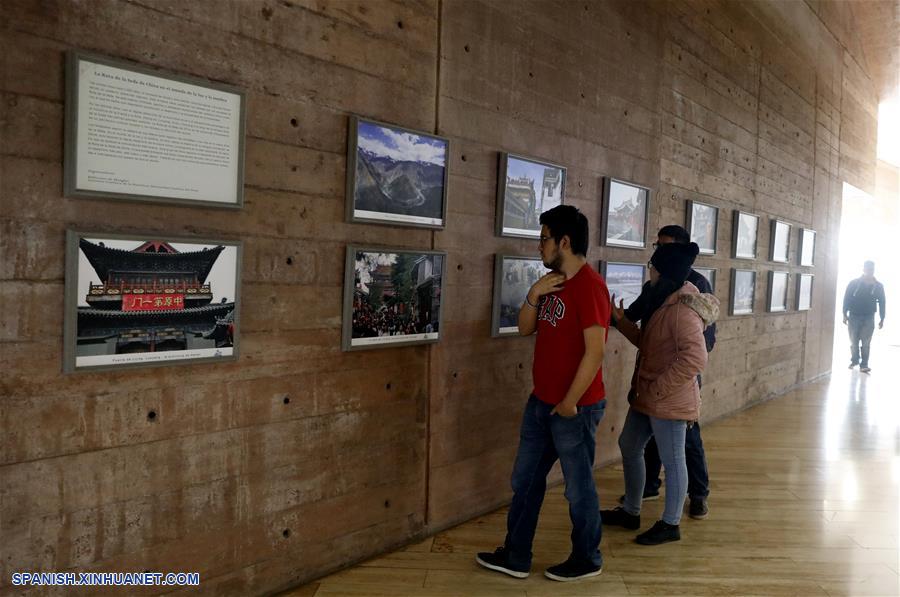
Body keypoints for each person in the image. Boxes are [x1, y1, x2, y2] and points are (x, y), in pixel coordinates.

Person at [476, 205, 610, 581]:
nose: (539, 247)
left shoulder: (591, 287)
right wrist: (534, 292)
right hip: (541, 402)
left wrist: (569, 402)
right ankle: (516, 555)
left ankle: (588, 557)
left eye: (544, 239)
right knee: (525, 481)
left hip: (574, 409)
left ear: (564, 242)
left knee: (578, 489)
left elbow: (595, 351)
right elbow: (523, 329)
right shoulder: (552, 283)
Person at [601, 242, 719, 545]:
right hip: (648, 396)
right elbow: (650, 344)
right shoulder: (664, 301)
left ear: (664, 272)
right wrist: (621, 321)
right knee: (629, 444)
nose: (649, 270)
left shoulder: (682, 311)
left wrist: (658, 389)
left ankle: (670, 524)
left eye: (653, 265)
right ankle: (631, 511)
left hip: (666, 399)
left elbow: (696, 358)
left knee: (673, 458)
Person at [843, 261, 886, 373]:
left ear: (874, 269)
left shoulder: (878, 286)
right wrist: (844, 314)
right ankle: (855, 360)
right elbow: (847, 298)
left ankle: (864, 364)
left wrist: (882, 318)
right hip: (854, 316)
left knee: (866, 343)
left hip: (869, 316)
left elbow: (882, 302)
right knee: (854, 341)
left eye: (872, 269)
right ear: (863, 269)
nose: (870, 271)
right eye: (868, 268)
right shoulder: (854, 283)